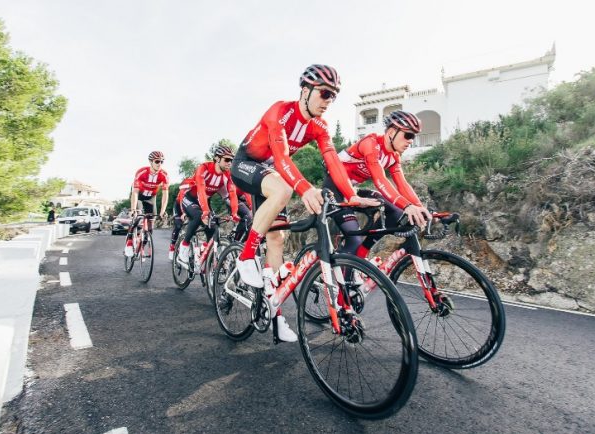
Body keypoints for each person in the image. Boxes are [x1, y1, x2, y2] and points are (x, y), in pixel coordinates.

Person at [230, 64, 378, 342]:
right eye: (324, 93)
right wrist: (305, 188)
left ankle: (274, 315)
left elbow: (333, 161)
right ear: (305, 90)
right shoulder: (280, 112)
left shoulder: (319, 126)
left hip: (270, 174)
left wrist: (352, 195)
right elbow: (283, 157)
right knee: (284, 190)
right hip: (246, 165)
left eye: (333, 96)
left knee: (277, 240)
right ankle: (246, 255)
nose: (328, 101)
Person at [328, 110, 431, 258]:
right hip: (334, 188)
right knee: (354, 241)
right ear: (391, 132)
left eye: (414, 136)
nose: (411, 140)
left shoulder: (394, 156)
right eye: (408, 135)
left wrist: (419, 207)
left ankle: (363, 253)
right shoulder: (370, 143)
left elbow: (402, 185)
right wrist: (407, 205)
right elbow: (380, 180)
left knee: (396, 212)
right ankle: (345, 275)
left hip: (353, 190)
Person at [176, 145, 240, 264]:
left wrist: (235, 212)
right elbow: (200, 189)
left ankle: (204, 251)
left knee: (213, 227)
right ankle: (183, 247)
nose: (229, 163)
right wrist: (205, 211)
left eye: (231, 160)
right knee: (198, 215)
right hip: (190, 198)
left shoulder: (227, 175)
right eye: (226, 160)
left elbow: (232, 194)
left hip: (205, 201)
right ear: (217, 158)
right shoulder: (204, 168)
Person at [125, 151, 169, 257]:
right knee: (137, 215)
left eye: (162, 162)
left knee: (150, 226)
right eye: (157, 161)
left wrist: (162, 211)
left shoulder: (164, 175)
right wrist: (133, 209)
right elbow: (134, 192)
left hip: (151, 197)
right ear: (150, 162)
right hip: (139, 196)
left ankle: (141, 246)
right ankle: (129, 243)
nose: (160, 164)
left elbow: (165, 194)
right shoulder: (141, 172)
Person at [169, 176, 194, 260]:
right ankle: (172, 247)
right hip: (179, 205)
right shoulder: (188, 182)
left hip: (191, 205)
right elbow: (182, 199)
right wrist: (183, 213)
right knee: (179, 225)